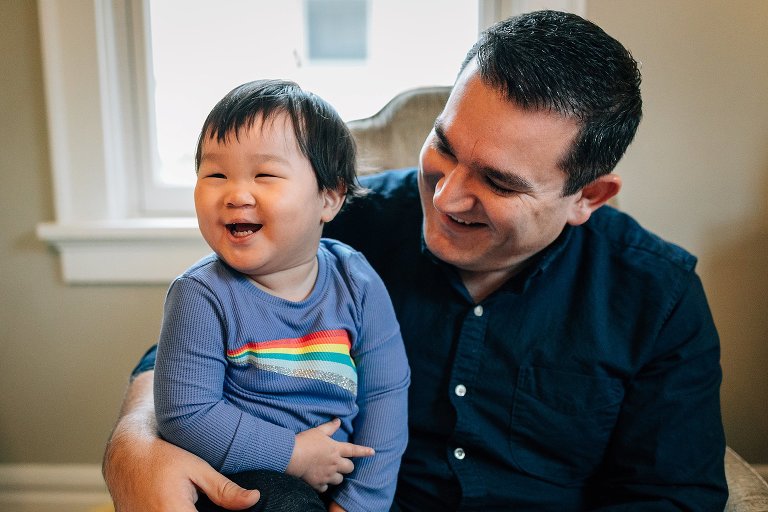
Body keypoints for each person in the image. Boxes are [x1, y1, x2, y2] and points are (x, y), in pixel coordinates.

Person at [103, 10, 727, 511]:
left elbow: (672, 495)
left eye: (499, 182)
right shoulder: (344, 223)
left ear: (586, 197)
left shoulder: (657, 296)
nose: (448, 196)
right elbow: (186, 350)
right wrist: (131, 447)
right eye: (445, 147)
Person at [151, 79, 410, 512]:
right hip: (241, 478)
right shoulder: (200, 295)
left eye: (265, 175)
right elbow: (185, 414)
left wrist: (362, 502)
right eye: (215, 175)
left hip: (335, 478)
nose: (235, 194)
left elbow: (386, 396)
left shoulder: (357, 282)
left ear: (329, 198)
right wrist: (291, 454)